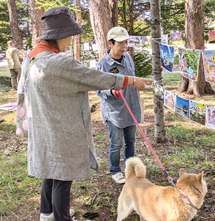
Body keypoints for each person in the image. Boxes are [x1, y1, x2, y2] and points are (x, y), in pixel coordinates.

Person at [17, 7, 152, 221]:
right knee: (62, 176)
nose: (71, 40)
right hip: (61, 128)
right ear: (59, 36)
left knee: (50, 172)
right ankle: (61, 217)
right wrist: (131, 80)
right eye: (70, 36)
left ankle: (47, 213)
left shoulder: (32, 57)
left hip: (43, 124)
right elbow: (94, 77)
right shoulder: (58, 63)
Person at [95, 27, 141, 184]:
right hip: (114, 111)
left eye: (126, 43)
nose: (124, 47)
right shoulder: (103, 64)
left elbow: (132, 79)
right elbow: (98, 88)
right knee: (116, 143)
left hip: (131, 107)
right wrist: (111, 92)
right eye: (120, 43)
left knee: (131, 141)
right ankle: (115, 170)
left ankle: (130, 169)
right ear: (110, 43)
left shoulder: (127, 57)